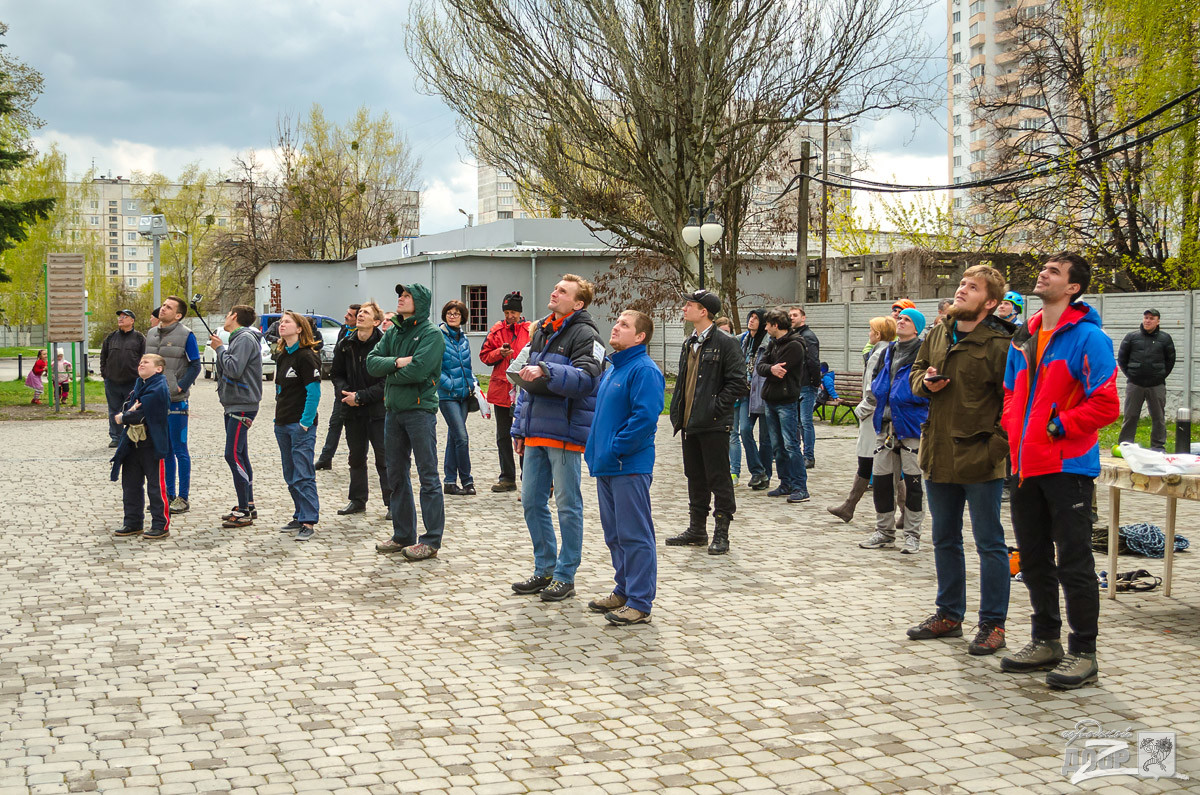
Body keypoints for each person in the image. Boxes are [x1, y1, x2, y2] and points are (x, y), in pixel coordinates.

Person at [1000, 252, 1119, 689]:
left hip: (1067, 466)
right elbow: (1011, 393)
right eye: (1044, 269)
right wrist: (1013, 428)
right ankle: (1045, 640)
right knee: (1032, 559)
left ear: (1072, 287)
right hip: (1024, 465)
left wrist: (1059, 425)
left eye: (1054, 272)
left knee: (1074, 560)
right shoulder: (1024, 337)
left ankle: (1084, 651)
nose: (1043, 274)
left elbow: (1106, 403)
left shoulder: (1089, 338)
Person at [906, 266, 1014, 655]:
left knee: (990, 544)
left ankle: (992, 624)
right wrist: (926, 382)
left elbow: (1014, 402)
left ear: (990, 303)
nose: (962, 291)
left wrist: (996, 449)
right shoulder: (937, 332)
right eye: (962, 285)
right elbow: (915, 372)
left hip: (981, 456)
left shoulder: (1001, 345)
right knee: (944, 539)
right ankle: (949, 615)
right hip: (938, 452)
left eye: (972, 288)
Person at [508, 274, 603, 600]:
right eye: (555, 287)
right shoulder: (543, 329)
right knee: (532, 502)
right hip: (535, 433)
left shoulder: (586, 334)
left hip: (564, 434)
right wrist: (519, 428)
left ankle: (565, 575)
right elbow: (524, 382)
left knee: (567, 505)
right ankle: (544, 568)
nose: (554, 292)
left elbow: (589, 378)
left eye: (562, 291)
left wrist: (548, 371)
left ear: (578, 303)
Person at [584, 310, 665, 626]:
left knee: (634, 534)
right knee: (615, 534)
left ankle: (640, 602)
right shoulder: (613, 370)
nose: (615, 327)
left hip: (628, 465)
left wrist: (617, 447)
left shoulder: (644, 370)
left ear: (640, 336)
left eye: (624, 325)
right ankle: (624, 590)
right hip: (607, 466)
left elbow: (645, 418)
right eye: (617, 322)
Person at [367, 283, 447, 562]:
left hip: (419, 412)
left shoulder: (431, 334)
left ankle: (431, 539)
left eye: (407, 296)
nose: (400, 299)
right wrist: (398, 363)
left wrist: (390, 371)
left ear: (420, 302)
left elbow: (420, 371)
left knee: (428, 476)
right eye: (399, 295)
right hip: (394, 411)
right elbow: (372, 363)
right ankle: (403, 534)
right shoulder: (395, 331)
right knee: (396, 475)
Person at [667, 289, 748, 555]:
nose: (684, 309)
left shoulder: (726, 342)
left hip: (713, 423)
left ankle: (721, 532)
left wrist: (715, 407)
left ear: (704, 311)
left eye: (689, 305)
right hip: (690, 423)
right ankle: (697, 529)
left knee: (719, 478)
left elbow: (738, 383)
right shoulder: (689, 342)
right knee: (695, 477)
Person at [859, 307, 928, 553]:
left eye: (907, 319)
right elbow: (877, 380)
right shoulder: (889, 350)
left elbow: (927, 386)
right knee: (882, 481)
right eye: (900, 318)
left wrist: (905, 396)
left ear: (917, 327)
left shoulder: (924, 352)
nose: (900, 321)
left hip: (911, 426)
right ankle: (884, 531)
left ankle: (912, 534)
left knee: (913, 483)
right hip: (885, 425)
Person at [828, 316, 896, 522]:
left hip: (873, 415)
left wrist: (862, 410)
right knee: (876, 463)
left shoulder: (879, 354)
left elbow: (872, 388)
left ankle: (850, 506)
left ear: (877, 333)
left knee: (869, 461)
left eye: (870, 330)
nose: (868, 333)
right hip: (877, 413)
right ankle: (849, 505)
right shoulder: (887, 350)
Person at [330, 301, 392, 518]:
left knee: (384, 459)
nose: (360, 315)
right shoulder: (346, 344)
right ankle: (357, 500)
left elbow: (388, 380)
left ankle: (392, 503)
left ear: (376, 321)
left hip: (378, 411)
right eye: (360, 313)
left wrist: (362, 396)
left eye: (366, 313)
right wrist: (347, 394)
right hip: (352, 410)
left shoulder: (385, 345)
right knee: (356, 457)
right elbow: (336, 374)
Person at [144, 296, 202, 515]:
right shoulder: (150, 334)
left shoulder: (186, 335)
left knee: (179, 449)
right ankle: (167, 495)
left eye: (169, 307)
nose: (163, 308)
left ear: (178, 315)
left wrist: (180, 387)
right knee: (163, 450)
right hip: (154, 400)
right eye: (163, 305)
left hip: (176, 401)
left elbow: (195, 365)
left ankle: (183, 497)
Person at [209, 305, 264, 528]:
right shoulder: (239, 338)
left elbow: (233, 369)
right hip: (234, 404)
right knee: (240, 454)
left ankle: (243, 511)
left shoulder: (244, 338)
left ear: (234, 316)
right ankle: (248, 503)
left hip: (242, 405)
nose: (224, 318)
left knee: (231, 455)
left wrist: (220, 349)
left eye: (226, 313)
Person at [109, 353, 172, 540]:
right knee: (131, 485)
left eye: (146, 362)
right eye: (140, 362)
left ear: (158, 368)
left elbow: (142, 412)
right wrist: (130, 411)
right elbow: (130, 404)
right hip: (132, 443)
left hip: (152, 444)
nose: (141, 364)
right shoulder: (140, 384)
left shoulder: (159, 386)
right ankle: (133, 522)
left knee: (156, 487)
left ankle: (160, 525)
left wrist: (125, 417)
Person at [273, 311, 323, 541]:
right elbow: (280, 388)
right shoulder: (283, 354)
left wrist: (305, 422)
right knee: (290, 473)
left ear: (300, 328)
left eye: (287, 322)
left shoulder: (306, 357)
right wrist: (277, 418)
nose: (282, 325)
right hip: (282, 422)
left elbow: (314, 392)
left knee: (303, 473)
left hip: (300, 425)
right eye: (281, 322)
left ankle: (308, 520)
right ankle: (298, 512)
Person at [756, 309, 810, 504]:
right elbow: (761, 366)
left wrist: (770, 368)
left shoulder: (794, 346)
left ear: (775, 325)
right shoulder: (773, 344)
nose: (765, 327)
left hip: (786, 401)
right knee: (777, 446)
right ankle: (785, 482)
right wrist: (770, 368)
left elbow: (781, 370)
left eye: (767, 324)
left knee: (790, 445)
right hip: (771, 400)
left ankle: (800, 486)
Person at [480, 292, 531, 492]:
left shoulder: (530, 330)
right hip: (502, 389)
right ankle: (507, 477)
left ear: (520, 312)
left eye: (513, 312)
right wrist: (498, 353)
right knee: (503, 435)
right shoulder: (496, 330)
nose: (510, 315)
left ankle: (527, 476)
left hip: (523, 389)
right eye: (507, 312)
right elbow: (484, 356)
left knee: (524, 434)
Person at [1118, 308, 1175, 452]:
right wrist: (1132, 375)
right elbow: (1122, 359)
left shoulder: (1165, 338)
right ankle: (1125, 445)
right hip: (1135, 384)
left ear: (1158, 321)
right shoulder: (1131, 337)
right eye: (1146, 318)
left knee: (1158, 417)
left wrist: (1159, 375)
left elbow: (1170, 361)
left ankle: (1158, 446)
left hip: (1156, 385)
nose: (1147, 321)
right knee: (1130, 416)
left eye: (1151, 318)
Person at [315, 304, 362, 470]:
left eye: (350, 315)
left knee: (362, 429)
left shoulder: (363, 336)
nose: (346, 317)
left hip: (359, 391)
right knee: (335, 424)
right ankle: (326, 458)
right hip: (341, 389)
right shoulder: (343, 331)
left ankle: (360, 459)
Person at [438, 299, 477, 495]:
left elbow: (467, 366)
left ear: (463, 317)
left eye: (457, 313)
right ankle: (467, 480)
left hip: (464, 395)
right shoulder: (438, 336)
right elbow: (434, 367)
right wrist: (450, 384)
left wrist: (473, 383)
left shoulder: (464, 338)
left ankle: (449, 482)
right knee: (462, 437)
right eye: (449, 313)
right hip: (447, 396)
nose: (452, 316)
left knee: (455, 437)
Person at [733, 309, 773, 490]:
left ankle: (765, 476)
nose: (751, 321)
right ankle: (758, 470)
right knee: (744, 430)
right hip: (745, 393)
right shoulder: (744, 340)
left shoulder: (769, 342)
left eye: (756, 318)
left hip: (763, 393)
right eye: (751, 317)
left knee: (765, 438)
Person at [100, 309, 146, 447]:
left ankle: (131, 436)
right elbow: (104, 357)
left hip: (132, 381)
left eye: (124, 317)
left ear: (132, 321)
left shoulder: (139, 338)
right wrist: (105, 374)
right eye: (119, 317)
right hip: (112, 381)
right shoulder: (111, 337)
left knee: (131, 409)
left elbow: (144, 358)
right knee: (114, 410)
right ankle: (116, 436)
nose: (120, 319)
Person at [788, 306, 820, 468]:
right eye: (790, 316)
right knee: (797, 422)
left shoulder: (808, 337)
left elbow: (813, 361)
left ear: (803, 318)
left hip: (806, 385)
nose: (792, 318)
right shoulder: (793, 336)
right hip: (795, 385)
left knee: (806, 422)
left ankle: (809, 456)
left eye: (795, 315)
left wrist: (815, 381)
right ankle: (798, 454)